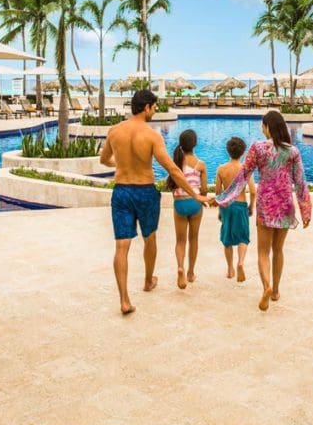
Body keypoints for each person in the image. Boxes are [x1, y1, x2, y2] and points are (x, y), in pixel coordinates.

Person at [100, 90, 207, 315]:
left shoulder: (114, 131)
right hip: (145, 192)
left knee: (121, 245)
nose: (155, 110)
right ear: (147, 107)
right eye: (155, 107)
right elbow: (173, 169)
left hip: (121, 192)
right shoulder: (151, 135)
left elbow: (103, 159)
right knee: (150, 238)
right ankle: (148, 281)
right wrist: (195, 194)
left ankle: (124, 300)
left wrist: (119, 165)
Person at [212, 110, 311, 311]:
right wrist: (306, 210)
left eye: (262, 125)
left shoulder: (257, 148)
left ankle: (266, 286)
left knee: (263, 252)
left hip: (266, 206)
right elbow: (301, 183)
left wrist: (222, 199)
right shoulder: (292, 152)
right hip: (284, 205)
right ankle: (275, 291)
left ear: (268, 127)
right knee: (278, 250)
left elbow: (241, 178)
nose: (261, 128)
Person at [167, 129, 207, 289]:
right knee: (194, 239)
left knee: (180, 240)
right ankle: (190, 272)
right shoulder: (201, 164)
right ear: (195, 144)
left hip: (180, 203)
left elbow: (172, 183)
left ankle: (180, 267)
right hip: (195, 203)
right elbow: (203, 189)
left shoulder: (176, 162)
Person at [215, 136, 255, 282]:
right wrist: (251, 206)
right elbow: (253, 191)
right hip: (241, 205)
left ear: (228, 151)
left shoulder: (221, 169)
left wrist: (220, 211)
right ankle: (240, 263)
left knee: (227, 238)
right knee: (243, 236)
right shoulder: (245, 169)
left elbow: (219, 193)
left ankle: (230, 269)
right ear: (243, 152)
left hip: (227, 207)